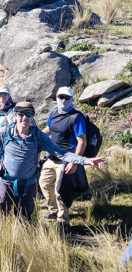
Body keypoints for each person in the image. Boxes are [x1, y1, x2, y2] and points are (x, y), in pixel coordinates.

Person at [0, 101, 106, 222]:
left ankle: (25, 245)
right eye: (21, 114)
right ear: (15, 116)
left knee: (25, 219)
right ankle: (1, 245)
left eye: (28, 114)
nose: (24, 118)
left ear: (33, 117)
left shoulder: (38, 136)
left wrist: (86, 160)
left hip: (29, 185)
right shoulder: (4, 133)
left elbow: (62, 153)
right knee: (1, 217)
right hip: (5, 183)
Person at [39, 87, 87, 226]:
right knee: (44, 184)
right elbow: (48, 129)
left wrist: (74, 162)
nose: (64, 100)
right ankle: (53, 211)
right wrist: (35, 136)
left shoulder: (76, 117)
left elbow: (81, 142)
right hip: (51, 157)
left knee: (60, 191)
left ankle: (63, 221)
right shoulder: (54, 113)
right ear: (57, 98)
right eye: (61, 97)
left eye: (67, 97)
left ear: (72, 99)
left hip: (66, 159)